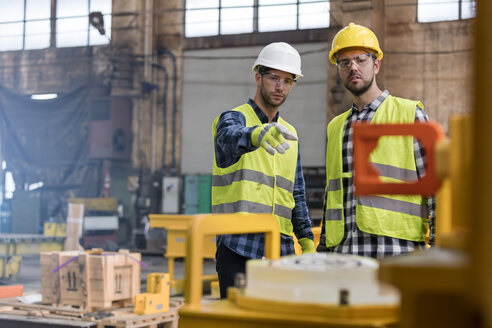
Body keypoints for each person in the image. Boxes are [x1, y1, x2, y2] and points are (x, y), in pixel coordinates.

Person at [317, 23, 435, 259]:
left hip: (397, 255)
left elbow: (436, 190)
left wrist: (440, 251)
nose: (353, 67)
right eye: (344, 62)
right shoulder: (336, 127)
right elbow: (332, 196)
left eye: (361, 59)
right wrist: (323, 250)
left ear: (376, 64)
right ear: (338, 70)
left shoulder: (410, 115)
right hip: (344, 258)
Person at [212, 42, 315, 299]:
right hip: (239, 247)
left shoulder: (289, 134)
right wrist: (257, 134)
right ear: (258, 77)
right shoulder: (234, 118)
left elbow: (297, 194)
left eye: (288, 81)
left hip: (279, 249)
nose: (280, 86)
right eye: (273, 78)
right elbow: (228, 137)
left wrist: (306, 240)